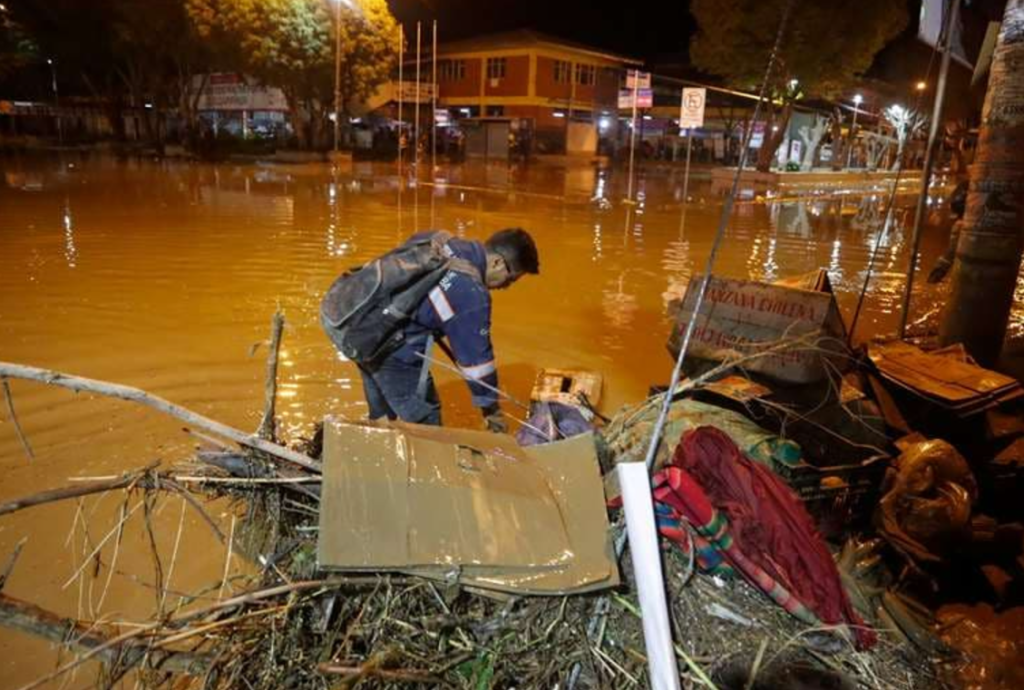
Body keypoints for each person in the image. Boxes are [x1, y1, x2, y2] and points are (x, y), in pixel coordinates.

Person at [346, 228, 539, 432]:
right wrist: (491, 411)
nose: (505, 286)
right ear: (497, 263)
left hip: (359, 325)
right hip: (392, 349)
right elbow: (478, 364)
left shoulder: (438, 239)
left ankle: (374, 449)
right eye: (510, 279)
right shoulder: (472, 293)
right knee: (428, 424)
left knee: (382, 416)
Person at [928, 180, 969, 284]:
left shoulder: (967, 184)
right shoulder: (967, 184)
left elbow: (953, 202)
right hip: (965, 225)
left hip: (962, 224)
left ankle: (934, 279)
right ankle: (934, 279)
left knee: (950, 255)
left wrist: (940, 213)